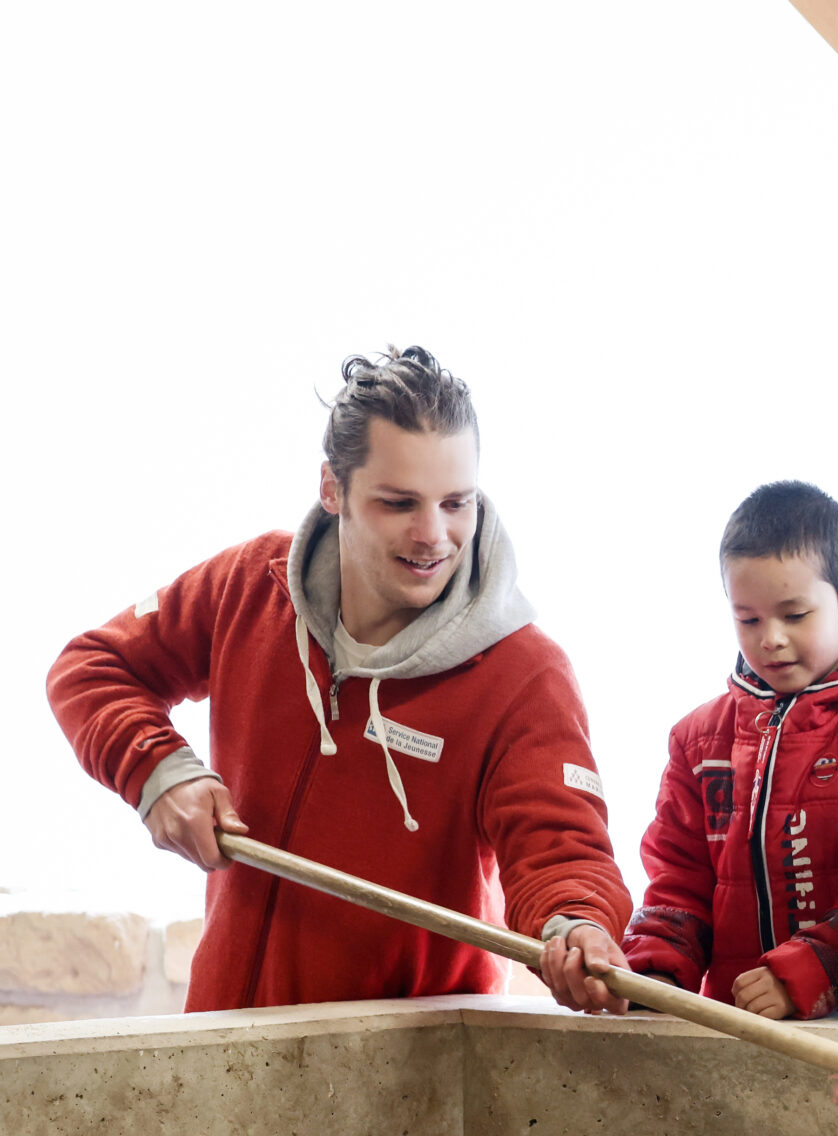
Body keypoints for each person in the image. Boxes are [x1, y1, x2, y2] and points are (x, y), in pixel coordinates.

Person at [48, 347, 630, 1013]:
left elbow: (562, 852)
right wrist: (158, 770)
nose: (433, 534)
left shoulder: (524, 672)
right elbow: (92, 667)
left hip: (403, 1086)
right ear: (332, 489)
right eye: (398, 502)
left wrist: (579, 925)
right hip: (220, 1051)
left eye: (456, 502)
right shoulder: (250, 583)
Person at [623, 482, 838, 1018]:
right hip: (736, 1026)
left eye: (794, 615)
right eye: (748, 619)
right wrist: (653, 973)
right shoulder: (698, 741)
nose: (770, 638)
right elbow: (678, 881)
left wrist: (807, 974)